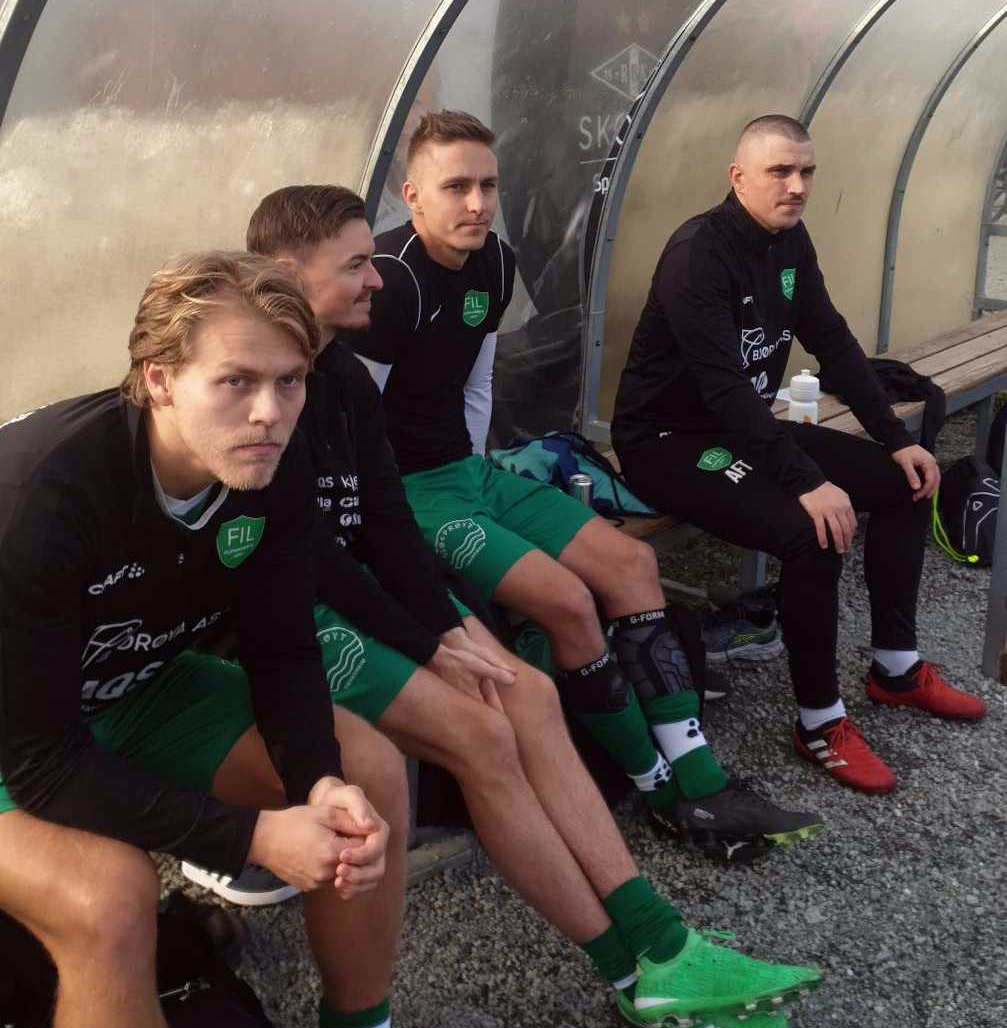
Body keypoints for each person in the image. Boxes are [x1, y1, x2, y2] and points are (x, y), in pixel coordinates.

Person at [241, 184, 825, 1028]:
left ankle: (665, 939)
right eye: (355, 264)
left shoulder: (341, 374)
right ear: (283, 275)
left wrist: (444, 622)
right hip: (295, 617)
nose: (375, 280)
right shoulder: (259, 391)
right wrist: (433, 638)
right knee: (484, 731)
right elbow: (305, 560)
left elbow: (385, 522)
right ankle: (634, 975)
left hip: (367, 585)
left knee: (532, 692)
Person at [0, 252, 405, 1028]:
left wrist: (317, 783)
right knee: (109, 898)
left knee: (363, 766)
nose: (269, 413)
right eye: (236, 382)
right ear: (158, 379)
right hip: (15, 734)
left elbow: (281, 647)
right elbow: (41, 762)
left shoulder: (269, 459)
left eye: (290, 381)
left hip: (124, 687)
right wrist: (255, 839)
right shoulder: (40, 496)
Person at [343, 109, 821, 859]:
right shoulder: (388, 280)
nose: (476, 203)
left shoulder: (495, 263)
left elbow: (475, 383)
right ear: (413, 196)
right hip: (405, 491)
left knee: (632, 564)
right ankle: (660, 789)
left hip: (468, 473)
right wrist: (384, 526)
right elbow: (353, 420)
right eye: (456, 187)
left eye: (488, 185)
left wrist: (476, 467)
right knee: (568, 600)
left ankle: (700, 776)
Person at [612, 114, 985, 796]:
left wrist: (896, 438)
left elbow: (832, 342)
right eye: (779, 172)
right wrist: (805, 480)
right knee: (812, 531)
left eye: (805, 171)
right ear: (738, 177)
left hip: (743, 427)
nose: (795, 186)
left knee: (906, 484)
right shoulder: (699, 252)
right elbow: (722, 387)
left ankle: (894, 669)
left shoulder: (788, 241)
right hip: (670, 443)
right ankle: (818, 722)